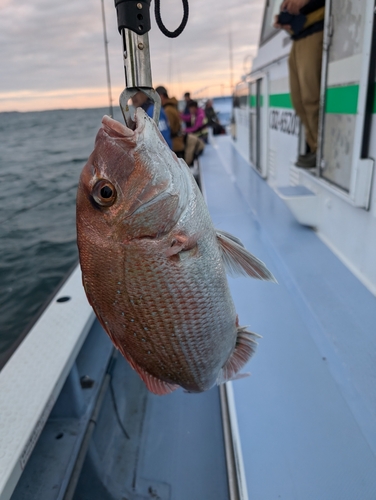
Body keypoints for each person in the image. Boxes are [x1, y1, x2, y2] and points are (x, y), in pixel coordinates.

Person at [274, 0, 325, 169]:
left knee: (311, 98)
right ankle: (313, 146)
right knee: (299, 101)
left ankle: (320, 150)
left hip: (318, 28)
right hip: (299, 36)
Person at [155, 85, 185, 157]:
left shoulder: (167, 110)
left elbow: (168, 128)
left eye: (155, 97)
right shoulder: (172, 107)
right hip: (179, 143)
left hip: (175, 146)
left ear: (161, 96)